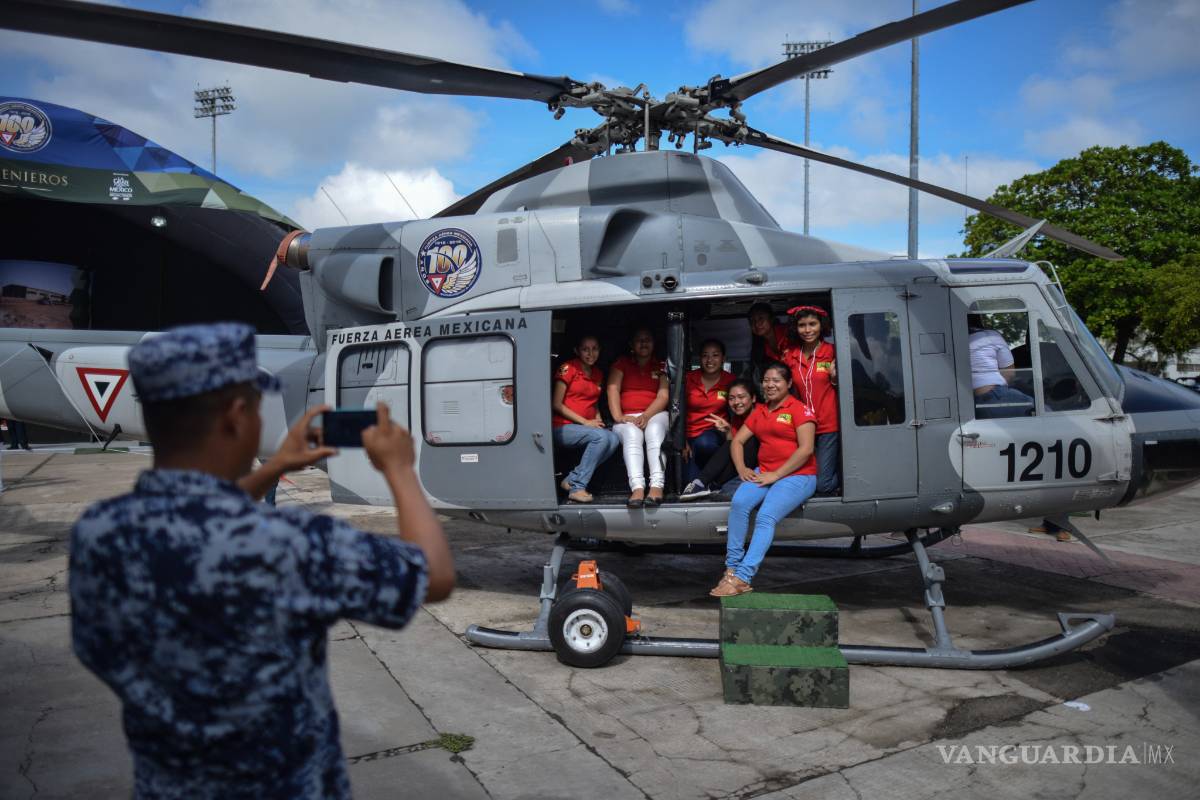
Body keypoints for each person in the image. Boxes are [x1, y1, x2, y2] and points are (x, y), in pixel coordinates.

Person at [69, 322, 454, 800]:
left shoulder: (99, 533)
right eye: (256, 407)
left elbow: (193, 521)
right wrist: (399, 468)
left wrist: (272, 469)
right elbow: (433, 576)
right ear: (235, 416)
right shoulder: (289, 544)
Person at [710, 362, 817, 597]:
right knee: (739, 504)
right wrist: (742, 469)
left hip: (798, 475)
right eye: (766, 380)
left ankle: (743, 577)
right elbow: (737, 441)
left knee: (766, 516)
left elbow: (806, 449)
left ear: (788, 383)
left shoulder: (800, 410)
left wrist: (777, 475)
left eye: (776, 380)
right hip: (764, 472)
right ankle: (731, 569)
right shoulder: (760, 411)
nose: (770, 385)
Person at [552, 334, 620, 503]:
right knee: (601, 437)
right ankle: (577, 488)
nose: (591, 353)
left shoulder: (597, 373)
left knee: (613, 439)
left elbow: (593, 402)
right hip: (562, 427)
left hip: (586, 427)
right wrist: (586, 423)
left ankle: (571, 479)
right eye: (585, 349)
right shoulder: (568, 368)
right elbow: (556, 404)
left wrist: (598, 421)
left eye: (595, 348)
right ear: (577, 351)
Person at [607, 327, 669, 508]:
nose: (644, 343)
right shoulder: (622, 363)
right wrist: (619, 416)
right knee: (632, 435)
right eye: (639, 340)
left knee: (654, 430)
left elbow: (663, 396)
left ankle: (657, 485)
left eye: (648, 339)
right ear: (632, 345)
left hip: (655, 414)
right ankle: (638, 487)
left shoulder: (661, 365)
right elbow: (613, 389)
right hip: (627, 417)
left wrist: (647, 415)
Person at [784, 305, 840, 494]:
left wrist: (834, 379)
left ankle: (844, 478)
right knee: (806, 477)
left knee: (822, 484)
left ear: (821, 325)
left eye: (812, 324)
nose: (807, 330)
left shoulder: (833, 351)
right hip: (802, 426)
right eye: (802, 325)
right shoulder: (790, 355)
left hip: (828, 425)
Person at [680, 378, 758, 500]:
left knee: (736, 444)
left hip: (762, 463)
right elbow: (733, 447)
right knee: (730, 444)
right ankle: (707, 484)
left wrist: (742, 469)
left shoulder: (761, 414)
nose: (736, 402)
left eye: (741, 397)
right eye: (731, 399)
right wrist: (728, 431)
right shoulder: (738, 418)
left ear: (753, 398)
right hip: (745, 460)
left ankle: (703, 483)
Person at [681, 338, 735, 487]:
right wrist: (681, 440)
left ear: (723, 358)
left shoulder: (731, 381)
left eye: (715, 355)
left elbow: (740, 410)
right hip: (689, 438)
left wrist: (730, 431)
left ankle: (716, 473)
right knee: (689, 484)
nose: (710, 360)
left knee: (705, 444)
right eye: (705, 355)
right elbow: (676, 410)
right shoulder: (688, 379)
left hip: (714, 436)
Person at [969, 314, 1034, 418]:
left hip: (968, 404)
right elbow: (1010, 374)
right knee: (1046, 412)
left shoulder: (952, 341)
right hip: (994, 396)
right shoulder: (990, 336)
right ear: (978, 318)